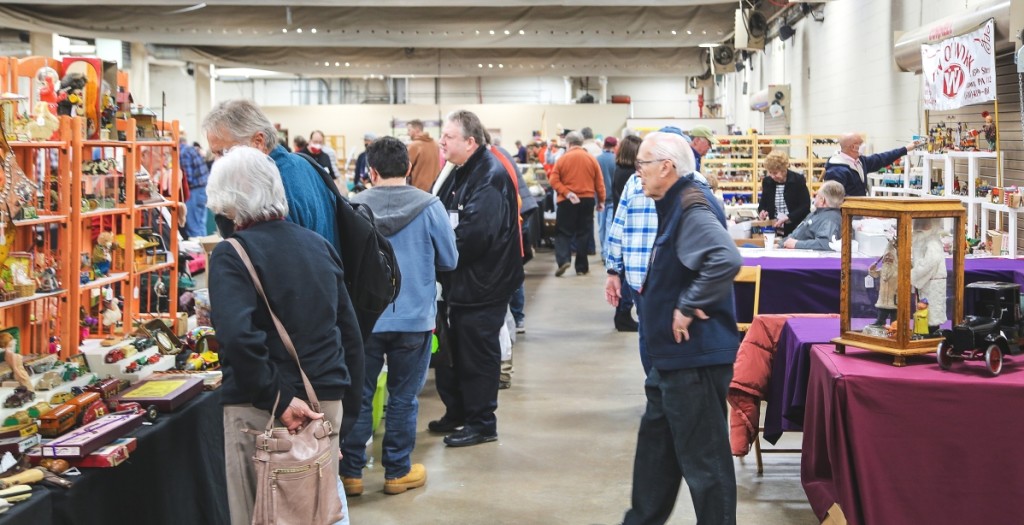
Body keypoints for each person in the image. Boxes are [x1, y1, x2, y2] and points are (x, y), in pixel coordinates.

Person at [206, 146, 360, 525]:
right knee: (319, 512)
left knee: (261, 515)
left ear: (228, 203)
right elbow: (351, 337)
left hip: (265, 412)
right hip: (326, 404)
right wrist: (344, 422)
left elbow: (239, 338)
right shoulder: (317, 245)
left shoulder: (232, 254)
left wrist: (275, 398)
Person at [621, 131, 741, 525]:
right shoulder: (675, 201)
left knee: (706, 466)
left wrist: (689, 305)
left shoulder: (690, 206)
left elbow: (724, 257)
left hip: (694, 362)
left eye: (642, 165)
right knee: (655, 456)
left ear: (666, 167)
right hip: (671, 361)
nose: (637, 173)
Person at [340, 136, 458, 497]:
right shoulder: (430, 205)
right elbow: (450, 260)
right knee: (404, 398)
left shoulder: (352, 206)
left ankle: (351, 473)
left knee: (359, 396)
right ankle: (397, 472)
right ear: (408, 168)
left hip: (366, 319)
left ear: (370, 171)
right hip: (415, 318)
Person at [432, 109, 522, 447]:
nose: (442, 141)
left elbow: (475, 236)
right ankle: (458, 413)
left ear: (470, 142)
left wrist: (438, 255)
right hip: (461, 284)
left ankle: (482, 422)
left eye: (449, 136)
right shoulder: (459, 170)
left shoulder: (488, 174)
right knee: (452, 353)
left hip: (483, 284)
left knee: (477, 355)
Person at [202, 100, 339, 250]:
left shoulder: (273, 186)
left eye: (223, 152)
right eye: (215, 154)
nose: (218, 163)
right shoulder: (302, 165)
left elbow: (274, 259)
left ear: (258, 142)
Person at [549, 130, 605, 276]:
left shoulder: (562, 159)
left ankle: (564, 260)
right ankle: (581, 267)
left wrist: (567, 192)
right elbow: (599, 182)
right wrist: (601, 200)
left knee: (563, 232)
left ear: (568, 143)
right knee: (583, 232)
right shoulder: (591, 159)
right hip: (587, 200)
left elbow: (553, 180)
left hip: (567, 200)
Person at [824, 133, 923, 197]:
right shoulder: (836, 170)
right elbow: (835, 198)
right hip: (845, 218)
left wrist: (906, 149)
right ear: (853, 147)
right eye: (861, 143)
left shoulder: (860, 161)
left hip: (858, 214)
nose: (864, 145)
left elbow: (882, 158)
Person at [756, 150, 811, 237]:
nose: (772, 176)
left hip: (797, 228)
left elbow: (805, 205)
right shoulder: (767, 182)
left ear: (784, 169)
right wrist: (762, 211)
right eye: (770, 172)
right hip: (775, 228)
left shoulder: (798, 180)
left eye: (775, 173)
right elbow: (763, 203)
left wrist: (789, 217)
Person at [780, 180, 845, 251]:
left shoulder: (831, 219)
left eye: (816, 195)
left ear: (822, 200)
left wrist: (797, 244)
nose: (814, 197)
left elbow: (825, 244)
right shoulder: (816, 213)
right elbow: (796, 234)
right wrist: (780, 244)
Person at [911, 218, 947, 334]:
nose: (921, 226)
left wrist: (913, 274)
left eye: (925, 224)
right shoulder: (923, 240)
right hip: (927, 282)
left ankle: (931, 334)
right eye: (919, 223)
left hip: (932, 283)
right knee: (925, 310)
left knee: (932, 313)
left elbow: (929, 262)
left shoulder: (932, 242)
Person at [179, 135, 210, 238]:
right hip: (204, 189)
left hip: (194, 191)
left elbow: (188, 177)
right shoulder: (192, 149)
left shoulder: (183, 153)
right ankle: (204, 252)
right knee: (201, 224)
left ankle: (196, 253)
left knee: (193, 226)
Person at [596, 136, 617, 262]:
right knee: (610, 226)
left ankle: (603, 253)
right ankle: (607, 253)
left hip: (600, 198)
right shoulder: (616, 160)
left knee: (601, 227)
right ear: (614, 146)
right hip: (613, 198)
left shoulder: (597, 160)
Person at [406, 119, 440, 191]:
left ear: (417, 130)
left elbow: (405, 168)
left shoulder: (414, 145)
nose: (407, 133)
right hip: (435, 187)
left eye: (409, 130)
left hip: (419, 189)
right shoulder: (435, 144)